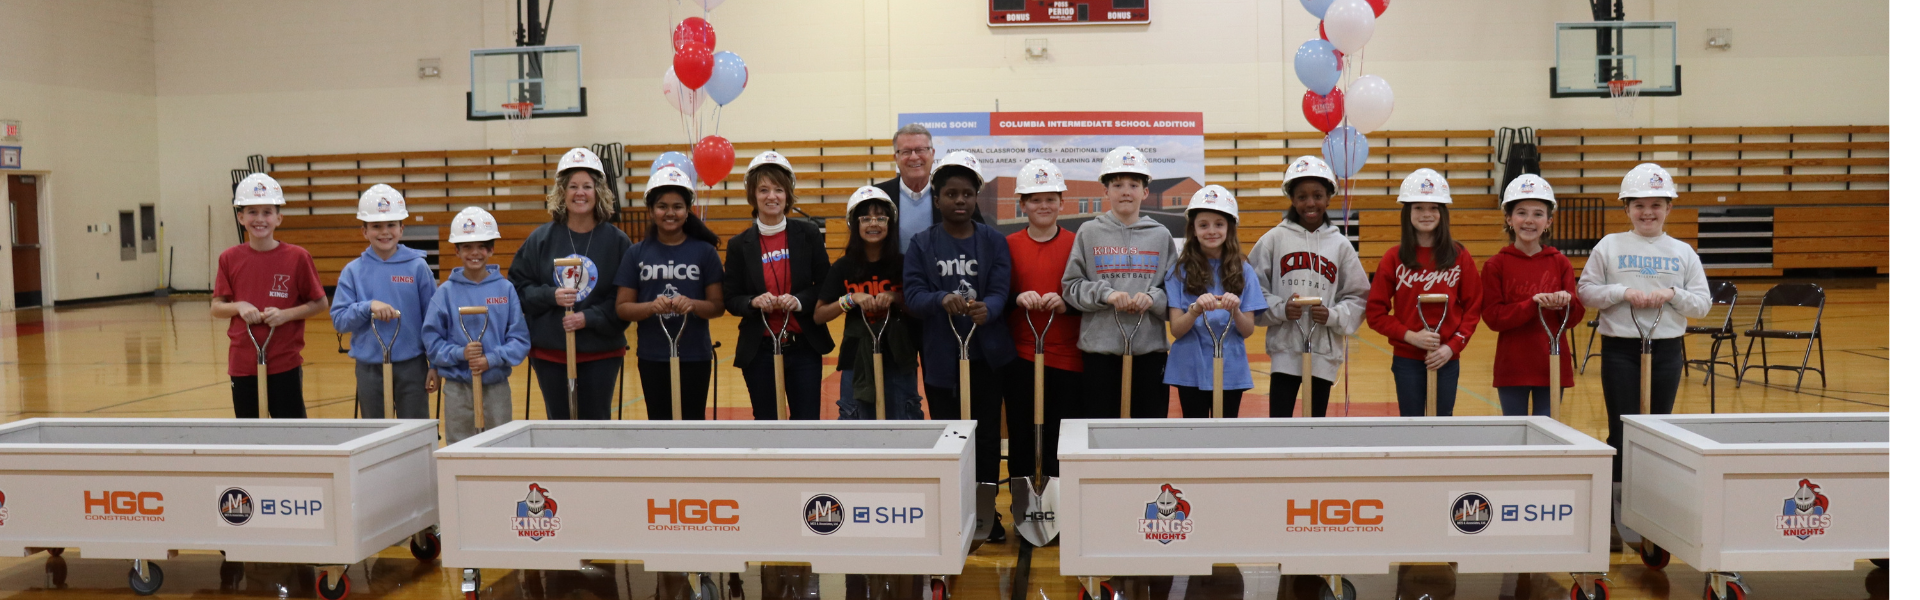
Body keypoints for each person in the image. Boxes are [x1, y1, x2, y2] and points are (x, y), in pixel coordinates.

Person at [903, 150, 1012, 542]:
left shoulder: (994, 242)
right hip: (941, 359)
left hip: (986, 358)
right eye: (951, 194)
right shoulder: (921, 243)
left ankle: (985, 514)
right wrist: (939, 299)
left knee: (985, 436)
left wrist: (990, 308)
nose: (960, 201)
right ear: (937, 199)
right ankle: (952, 509)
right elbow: (913, 295)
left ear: (976, 197)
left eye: (967, 193)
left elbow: (1002, 290)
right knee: (949, 435)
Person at [1577, 163, 1711, 483]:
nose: (1647, 213)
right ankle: (1619, 504)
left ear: (1669, 208)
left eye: (1655, 205)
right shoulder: (1609, 245)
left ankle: (1654, 498)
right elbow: (1586, 292)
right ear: (1627, 208)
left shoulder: (1683, 252)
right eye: (1638, 205)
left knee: (1658, 429)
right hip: (1619, 350)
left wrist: (1672, 294)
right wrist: (1622, 292)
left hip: (1666, 351)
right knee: (1621, 429)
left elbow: (1703, 304)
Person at [507, 148, 633, 420]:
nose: (580, 193)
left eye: (587, 186)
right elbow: (517, 289)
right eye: (573, 186)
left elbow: (625, 297)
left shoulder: (617, 242)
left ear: (598, 191)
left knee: (596, 425)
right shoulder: (540, 240)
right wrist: (550, 296)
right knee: (559, 426)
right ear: (562, 192)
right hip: (551, 353)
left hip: (601, 353)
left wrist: (588, 317)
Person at [1248, 156, 1370, 418]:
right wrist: (1281, 309)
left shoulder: (1340, 246)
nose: (1310, 203)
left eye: (1317, 195)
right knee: (1279, 422)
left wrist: (1333, 315)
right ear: (1292, 199)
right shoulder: (1272, 239)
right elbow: (1252, 290)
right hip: (1284, 348)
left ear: (1328, 198)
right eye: (1302, 196)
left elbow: (1358, 296)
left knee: (1316, 424)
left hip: (1324, 351)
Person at [1061, 146, 1177, 419]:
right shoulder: (1089, 232)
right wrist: (1106, 295)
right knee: (1099, 432)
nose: (1126, 191)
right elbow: (1071, 287)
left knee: (1147, 433)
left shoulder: (1161, 235)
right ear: (1106, 191)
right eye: (1117, 184)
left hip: (1149, 353)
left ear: (1145, 192)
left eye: (1134, 185)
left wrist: (1153, 299)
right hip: (1100, 353)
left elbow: (1175, 291)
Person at [723, 150, 835, 420]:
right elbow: (731, 298)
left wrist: (799, 301)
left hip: (804, 348)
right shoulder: (739, 245)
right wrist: (752, 302)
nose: (771, 196)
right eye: (763, 190)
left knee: (807, 423)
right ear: (753, 195)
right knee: (767, 424)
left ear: (788, 195)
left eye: (778, 189)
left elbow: (825, 285)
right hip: (759, 351)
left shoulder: (808, 234)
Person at [1365, 169, 1482, 417]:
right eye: (1418, 207)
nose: (1426, 214)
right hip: (1407, 360)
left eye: (1433, 207)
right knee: (1411, 428)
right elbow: (1375, 313)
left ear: (1443, 213)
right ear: (1407, 213)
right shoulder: (1393, 258)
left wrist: (1451, 347)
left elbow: (1473, 308)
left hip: (1446, 359)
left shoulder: (1460, 256)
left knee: (1442, 426)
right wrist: (1410, 336)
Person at [211, 173, 328, 418]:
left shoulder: (297, 257)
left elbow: (319, 303)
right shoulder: (229, 258)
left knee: (292, 435)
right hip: (243, 364)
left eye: (267, 212)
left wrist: (286, 315)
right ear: (241, 217)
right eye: (252, 212)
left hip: (285, 362)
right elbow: (217, 307)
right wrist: (239, 306)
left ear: (279, 218)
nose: (260, 219)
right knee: (250, 435)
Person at [615, 167, 725, 421]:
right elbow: (622, 307)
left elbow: (718, 306)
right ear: (652, 211)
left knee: (693, 423)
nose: (670, 213)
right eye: (662, 206)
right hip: (652, 355)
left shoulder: (705, 252)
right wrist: (651, 307)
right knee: (659, 423)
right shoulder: (636, 253)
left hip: (695, 354)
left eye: (677, 206)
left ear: (687, 211)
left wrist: (692, 304)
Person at [330, 184, 438, 419]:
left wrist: (435, 365)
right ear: (364, 231)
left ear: (401, 228)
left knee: (415, 431)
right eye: (376, 226)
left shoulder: (418, 267)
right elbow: (339, 320)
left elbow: (434, 321)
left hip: (412, 365)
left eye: (391, 225)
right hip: (369, 368)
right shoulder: (353, 271)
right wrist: (367, 307)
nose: (384, 232)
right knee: (375, 434)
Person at [424, 207, 531, 443]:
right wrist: (460, 353)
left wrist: (491, 359)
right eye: (467, 247)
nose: (475, 253)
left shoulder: (505, 290)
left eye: (482, 246)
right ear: (457, 250)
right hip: (457, 389)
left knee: (500, 446)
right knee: (459, 447)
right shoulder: (445, 294)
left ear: (491, 249)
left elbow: (520, 340)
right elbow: (432, 341)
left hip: (496, 387)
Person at [815, 186, 922, 420]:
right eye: (866, 218)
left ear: (890, 223)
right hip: (855, 360)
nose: (873, 224)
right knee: (857, 430)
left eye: (880, 218)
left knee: (904, 423)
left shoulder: (904, 264)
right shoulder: (844, 266)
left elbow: (919, 308)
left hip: (898, 359)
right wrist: (850, 299)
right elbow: (819, 314)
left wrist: (895, 297)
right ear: (855, 224)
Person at [1004, 159, 1082, 479]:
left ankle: (1059, 506)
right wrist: (1016, 299)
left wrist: (1066, 304)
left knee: (1059, 437)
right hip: (1021, 357)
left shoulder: (1077, 243)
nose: (1044, 205)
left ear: (1062, 203)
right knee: (1021, 435)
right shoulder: (1007, 245)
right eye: (1035, 199)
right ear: (1022, 204)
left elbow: (1086, 294)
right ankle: (1025, 505)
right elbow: (997, 297)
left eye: (1051, 198)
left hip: (1068, 358)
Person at [1481, 174, 1584, 417]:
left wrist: (1563, 303)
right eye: (1521, 213)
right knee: (1514, 432)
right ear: (1509, 218)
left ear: (1548, 221)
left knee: (1548, 432)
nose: (1529, 220)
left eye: (1538, 214)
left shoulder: (1560, 263)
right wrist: (1532, 304)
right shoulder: (1496, 265)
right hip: (1512, 366)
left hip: (1552, 364)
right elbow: (1493, 318)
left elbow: (1572, 319)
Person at [1164, 186, 1267, 418]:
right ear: (1193, 229)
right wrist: (1195, 310)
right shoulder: (1178, 272)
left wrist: (1236, 310)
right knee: (1196, 436)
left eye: (1219, 224)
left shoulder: (1244, 271)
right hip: (1189, 369)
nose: (1211, 231)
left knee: (1226, 438)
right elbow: (1177, 331)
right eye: (1203, 225)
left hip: (1231, 368)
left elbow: (1248, 330)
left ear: (1230, 228)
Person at [875, 123, 987, 250]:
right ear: (896, 157)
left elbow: (980, 239)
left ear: (932, 154)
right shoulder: (879, 195)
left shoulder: (954, 195)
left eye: (920, 150)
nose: (914, 157)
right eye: (906, 151)